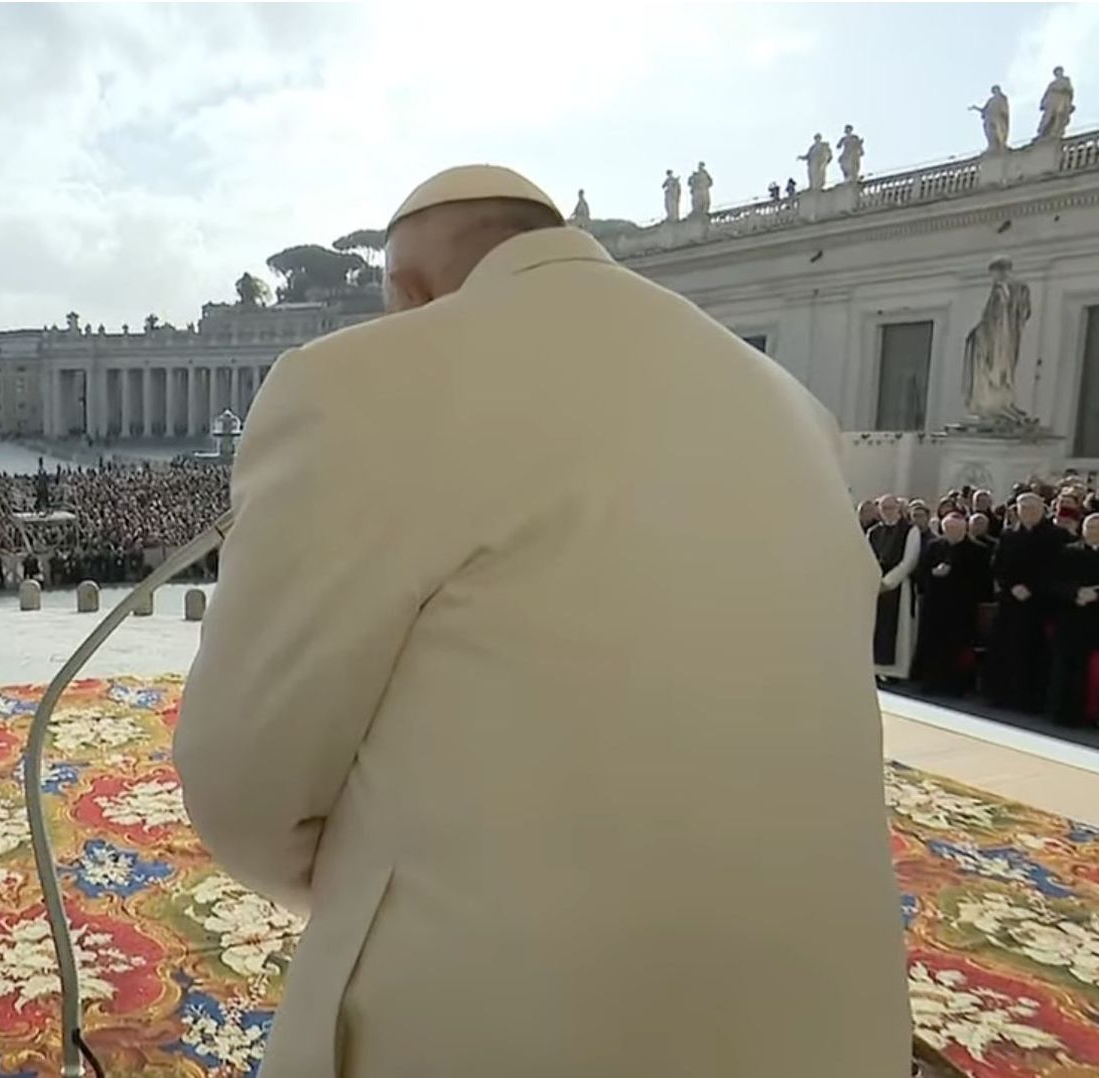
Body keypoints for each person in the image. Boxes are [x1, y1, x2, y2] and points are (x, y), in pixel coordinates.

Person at [174, 165, 909, 1077]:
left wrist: (361, 878)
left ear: (407, 289)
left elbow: (241, 776)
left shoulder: (357, 379)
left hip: (503, 1018)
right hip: (834, 1017)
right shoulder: (791, 402)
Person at [985, 493, 1068, 712]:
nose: (1028, 512)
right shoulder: (1009, 534)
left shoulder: (1057, 536)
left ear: (1042, 510)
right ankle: (1003, 695)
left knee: (1036, 652)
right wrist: (1011, 586)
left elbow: (1057, 568)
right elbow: (998, 565)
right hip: (1011, 601)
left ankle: (1031, 700)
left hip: (1041, 603)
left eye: (1033, 508)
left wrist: (1032, 588)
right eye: (1024, 508)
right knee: (1006, 649)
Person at [910, 512, 993, 696]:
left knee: (958, 648)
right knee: (934, 646)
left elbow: (984, 582)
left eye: (956, 529)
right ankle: (931, 682)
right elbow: (920, 573)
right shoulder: (934, 546)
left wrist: (955, 575)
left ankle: (956, 686)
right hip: (935, 606)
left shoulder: (979, 550)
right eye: (948, 529)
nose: (952, 532)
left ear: (964, 529)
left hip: (961, 608)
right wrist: (933, 573)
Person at [1050, 513, 1099, 726]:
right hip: (1072, 617)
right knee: (1067, 667)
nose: (1094, 532)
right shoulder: (1068, 552)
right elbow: (1053, 582)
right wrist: (1075, 593)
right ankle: (1064, 713)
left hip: (1096, 619)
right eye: (1090, 527)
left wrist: (1095, 594)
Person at [868, 494, 923, 679]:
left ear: (899, 509)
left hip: (898, 586)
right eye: (883, 508)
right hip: (875, 586)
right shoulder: (874, 532)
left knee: (896, 630)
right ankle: (875, 669)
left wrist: (888, 582)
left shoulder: (910, 530)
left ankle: (895, 672)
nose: (887, 512)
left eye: (890, 508)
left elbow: (909, 561)